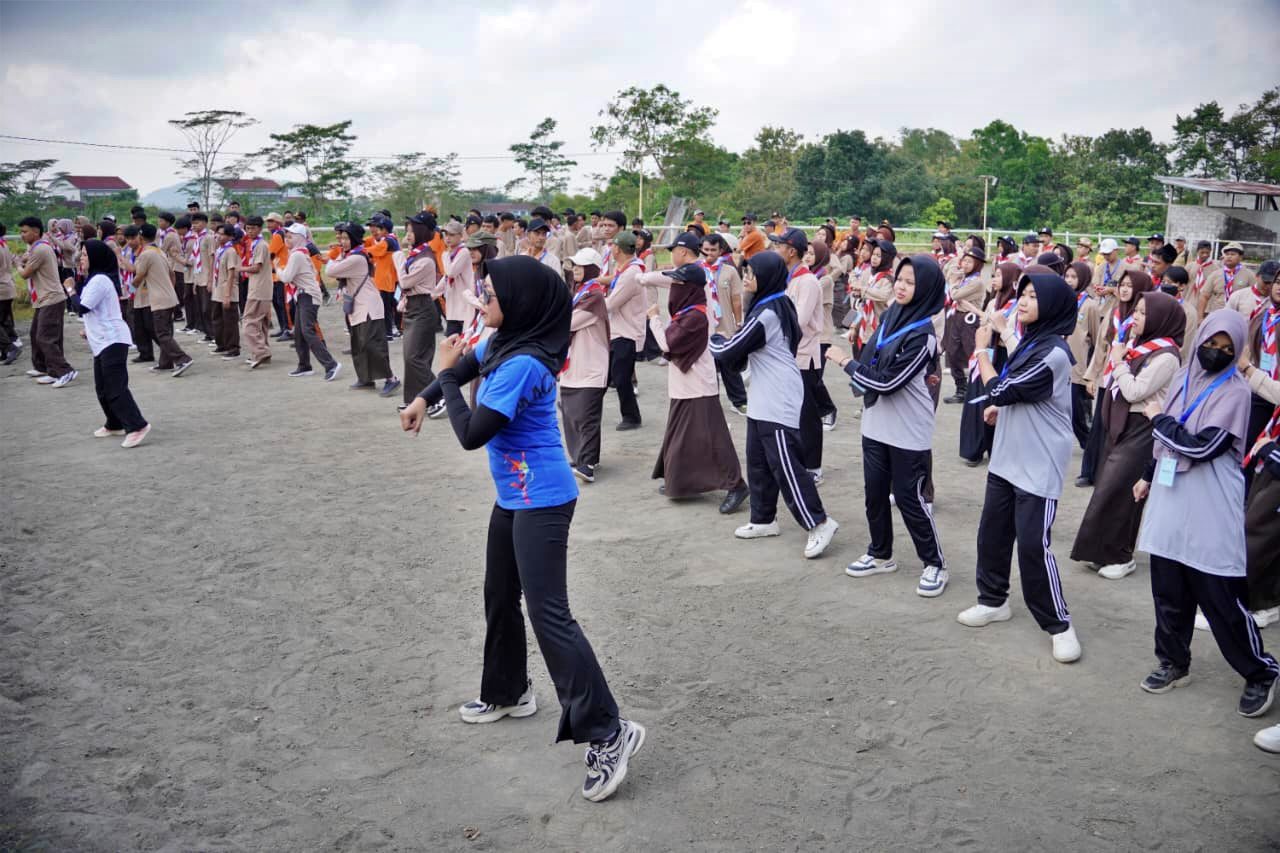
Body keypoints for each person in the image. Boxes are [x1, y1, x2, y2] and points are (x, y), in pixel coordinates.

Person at [400, 255, 645, 803]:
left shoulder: (524, 364)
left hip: (543, 499)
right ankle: (509, 691)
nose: (479, 301)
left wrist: (438, 372)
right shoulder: (506, 342)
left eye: (488, 294)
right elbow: (467, 368)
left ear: (523, 302)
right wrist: (425, 396)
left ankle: (609, 731)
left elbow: (473, 433)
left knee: (549, 614)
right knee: (498, 593)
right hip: (515, 496)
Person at [1133, 310, 1278, 718]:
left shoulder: (1234, 391)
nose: (1215, 353)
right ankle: (1173, 661)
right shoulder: (1182, 377)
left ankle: (1260, 671)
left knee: (1219, 595)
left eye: (1226, 348)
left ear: (1237, 352)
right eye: (1211, 344)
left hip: (1209, 502)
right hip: (1170, 495)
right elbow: (1166, 443)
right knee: (1168, 589)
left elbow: (1202, 448)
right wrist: (1147, 475)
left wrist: (1157, 419)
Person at [957, 271, 1083, 665]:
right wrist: (1002, 332)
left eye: (1033, 296)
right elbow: (1014, 377)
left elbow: (1004, 387)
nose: (1024, 301)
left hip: (1038, 463)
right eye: (1023, 294)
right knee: (992, 534)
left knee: (1032, 545)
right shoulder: (1033, 343)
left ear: (1054, 306)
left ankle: (1059, 625)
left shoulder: (1055, 353)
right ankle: (993, 600)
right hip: (1009, 457)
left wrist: (981, 350)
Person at [829, 255, 948, 595]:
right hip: (876, 423)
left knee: (910, 499)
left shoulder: (922, 334)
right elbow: (873, 356)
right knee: (875, 494)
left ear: (924, 289)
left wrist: (845, 363)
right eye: (900, 279)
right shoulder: (892, 315)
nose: (901, 286)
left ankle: (934, 563)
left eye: (910, 282)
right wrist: (859, 369)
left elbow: (886, 383)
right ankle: (880, 554)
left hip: (908, 430)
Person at [710, 251, 838, 558]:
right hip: (764, 393)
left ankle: (819, 521)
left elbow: (731, 350)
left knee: (785, 463)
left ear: (766, 277)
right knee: (757, 458)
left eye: (751, 274)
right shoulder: (771, 303)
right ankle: (763, 518)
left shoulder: (770, 311)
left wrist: (713, 340)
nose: (747, 279)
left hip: (778, 394)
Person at [1069, 292, 1184, 579]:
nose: (1136, 318)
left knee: (1123, 492)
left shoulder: (1167, 355)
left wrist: (1119, 362)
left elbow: (1134, 391)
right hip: (1121, 424)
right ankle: (1101, 552)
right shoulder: (1140, 346)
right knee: (1107, 491)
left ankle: (1122, 555)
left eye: (1144, 313)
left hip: (1142, 429)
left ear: (1160, 318)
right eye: (1137, 311)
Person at [640, 236, 749, 513]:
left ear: (687, 288)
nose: (673, 287)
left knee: (712, 439)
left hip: (698, 385)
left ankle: (736, 484)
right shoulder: (692, 306)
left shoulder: (696, 315)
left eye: (677, 284)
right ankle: (679, 479)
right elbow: (656, 279)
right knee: (679, 434)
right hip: (685, 383)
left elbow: (666, 344)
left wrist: (654, 317)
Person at [65, 240, 150, 448]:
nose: (81, 259)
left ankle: (137, 425)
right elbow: (96, 311)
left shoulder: (100, 280)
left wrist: (70, 290)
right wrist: (89, 329)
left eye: (85, 255)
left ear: (96, 257)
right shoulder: (94, 280)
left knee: (115, 388)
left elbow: (82, 308)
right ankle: (114, 423)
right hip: (102, 340)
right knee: (102, 388)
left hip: (112, 339)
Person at [1079, 270, 1155, 486]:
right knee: (1099, 425)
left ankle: (1107, 472)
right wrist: (1092, 377)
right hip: (1108, 376)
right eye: (1122, 284)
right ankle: (1089, 471)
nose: (1124, 289)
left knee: (1117, 426)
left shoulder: (1145, 318)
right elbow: (1101, 347)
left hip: (1127, 379)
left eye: (1130, 286)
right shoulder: (1114, 313)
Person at [772, 227, 826, 483]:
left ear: (791, 251)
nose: (775, 249)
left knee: (808, 415)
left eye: (779, 246)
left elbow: (800, 321)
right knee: (793, 411)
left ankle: (813, 466)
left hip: (805, 356)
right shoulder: (790, 277)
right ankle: (798, 459)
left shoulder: (807, 281)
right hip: (790, 355)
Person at [958, 262, 1020, 466]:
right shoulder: (994, 302)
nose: (994, 279)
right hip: (986, 353)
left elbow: (1011, 331)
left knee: (996, 401)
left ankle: (996, 449)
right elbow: (985, 324)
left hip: (1003, 357)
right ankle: (973, 449)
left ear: (1011, 279)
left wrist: (993, 324)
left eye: (999, 275)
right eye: (994, 275)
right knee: (977, 400)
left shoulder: (1018, 305)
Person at [328, 223, 399, 397]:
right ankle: (366, 378)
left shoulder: (356, 258)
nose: (342, 242)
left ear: (354, 239)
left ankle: (391, 378)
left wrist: (337, 255)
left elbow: (330, 270)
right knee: (358, 345)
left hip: (368, 307)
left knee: (372, 345)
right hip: (358, 307)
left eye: (346, 238)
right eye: (341, 238)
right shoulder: (352, 255)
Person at [560, 248, 611, 482]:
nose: (576, 269)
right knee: (571, 413)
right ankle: (583, 456)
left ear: (593, 269)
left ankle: (587, 463)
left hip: (591, 364)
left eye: (581, 265)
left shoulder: (594, 296)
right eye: (574, 265)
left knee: (586, 415)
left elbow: (569, 322)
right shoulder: (577, 292)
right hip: (573, 364)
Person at [17, 216, 75, 386]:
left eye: (25, 231)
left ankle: (65, 371)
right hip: (44, 299)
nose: (22, 235)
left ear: (36, 231)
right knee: (37, 335)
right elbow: (26, 259)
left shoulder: (40, 249)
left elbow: (24, 273)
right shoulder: (36, 247)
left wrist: (17, 264)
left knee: (45, 338)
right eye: (20, 232)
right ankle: (48, 369)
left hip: (51, 298)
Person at [279, 223, 340, 381]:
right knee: (299, 332)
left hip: (308, 295)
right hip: (304, 294)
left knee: (307, 331)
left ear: (299, 238)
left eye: (290, 236)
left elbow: (286, 277)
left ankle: (330, 364)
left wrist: (277, 268)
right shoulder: (301, 252)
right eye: (287, 236)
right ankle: (304, 365)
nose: (287, 239)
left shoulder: (297, 254)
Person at [132, 224, 192, 375]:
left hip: (159, 299)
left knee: (162, 333)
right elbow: (172, 274)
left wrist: (131, 289)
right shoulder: (159, 251)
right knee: (166, 331)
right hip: (168, 296)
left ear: (140, 237)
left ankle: (182, 359)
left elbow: (139, 276)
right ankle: (165, 363)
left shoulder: (146, 254)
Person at [399, 212, 443, 411]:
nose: (408, 234)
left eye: (411, 230)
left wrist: (398, 258)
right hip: (413, 306)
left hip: (423, 308)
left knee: (414, 357)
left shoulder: (425, 259)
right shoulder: (416, 253)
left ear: (421, 231)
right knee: (411, 356)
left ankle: (440, 395)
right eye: (407, 230)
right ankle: (413, 400)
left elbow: (404, 281)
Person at [605, 231, 646, 430]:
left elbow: (611, 303)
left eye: (613, 245)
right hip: (619, 329)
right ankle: (584, 403)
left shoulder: (631, 274)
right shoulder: (626, 268)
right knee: (607, 374)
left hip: (626, 332)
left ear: (618, 248)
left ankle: (632, 416)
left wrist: (590, 304)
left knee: (621, 377)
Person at [702, 233, 748, 415]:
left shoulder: (729, 271)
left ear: (721, 250)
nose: (709, 254)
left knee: (729, 364)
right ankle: (710, 402)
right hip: (704, 326)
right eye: (706, 250)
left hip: (725, 326)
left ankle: (739, 401)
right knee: (707, 367)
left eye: (713, 250)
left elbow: (736, 299)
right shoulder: (697, 270)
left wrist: (738, 323)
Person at [941, 246, 988, 404]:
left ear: (978, 264)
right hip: (958, 317)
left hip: (970, 320)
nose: (966, 264)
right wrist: (957, 265)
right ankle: (961, 388)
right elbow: (949, 273)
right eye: (965, 260)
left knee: (972, 354)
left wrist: (954, 284)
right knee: (952, 353)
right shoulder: (964, 277)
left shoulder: (977, 282)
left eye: (970, 261)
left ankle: (979, 388)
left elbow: (955, 295)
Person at [1065, 261, 1097, 448]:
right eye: (1067, 276)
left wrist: (1091, 372)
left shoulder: (1089, 305)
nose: (1069, 280)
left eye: (1074, 277)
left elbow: (1096, 337)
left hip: (1078, 367)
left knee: (1078, 412)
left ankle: (1089, 445)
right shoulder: (1062, 299)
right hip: (1061, 361)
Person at [238, 216, 274, 369]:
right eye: (247, 228)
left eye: (253, 228)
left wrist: (239, 268)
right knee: (261, 323)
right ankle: (262, 352)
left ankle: (260, 351)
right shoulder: (255, 244)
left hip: (259, 289)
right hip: (260, 287)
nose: (250, 231)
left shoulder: (260, 245)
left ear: (260, 228)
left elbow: (256, 267)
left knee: (248, 322)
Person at [208, 224, 242, 360]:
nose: (218, 236)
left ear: (230, 237)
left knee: (230, 321)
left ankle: (233, 348)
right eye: (218, 233)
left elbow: (231, 274)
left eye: (222, 234)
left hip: (228, 291)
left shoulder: (230, 251)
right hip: (218, 290)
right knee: (217, 320)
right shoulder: (219, 250)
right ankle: (221, 344)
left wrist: (227, 295)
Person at [367, 214, 401, 340]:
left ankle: (389, 332)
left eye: (379, 228)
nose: (376, 231)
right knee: (393, 304)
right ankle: (395, 330)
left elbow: (376, 250)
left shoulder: (388, 240)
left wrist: (363, 251)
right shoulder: (391, 240)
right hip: (392, 279)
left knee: (387, 307)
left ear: (385, 230)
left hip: (387, 281)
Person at [0, 222, 21, 364]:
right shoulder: (3, 244)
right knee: (3, 321)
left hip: (1, 289)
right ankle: (7, 349)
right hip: (8, 287)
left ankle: (9, 348)